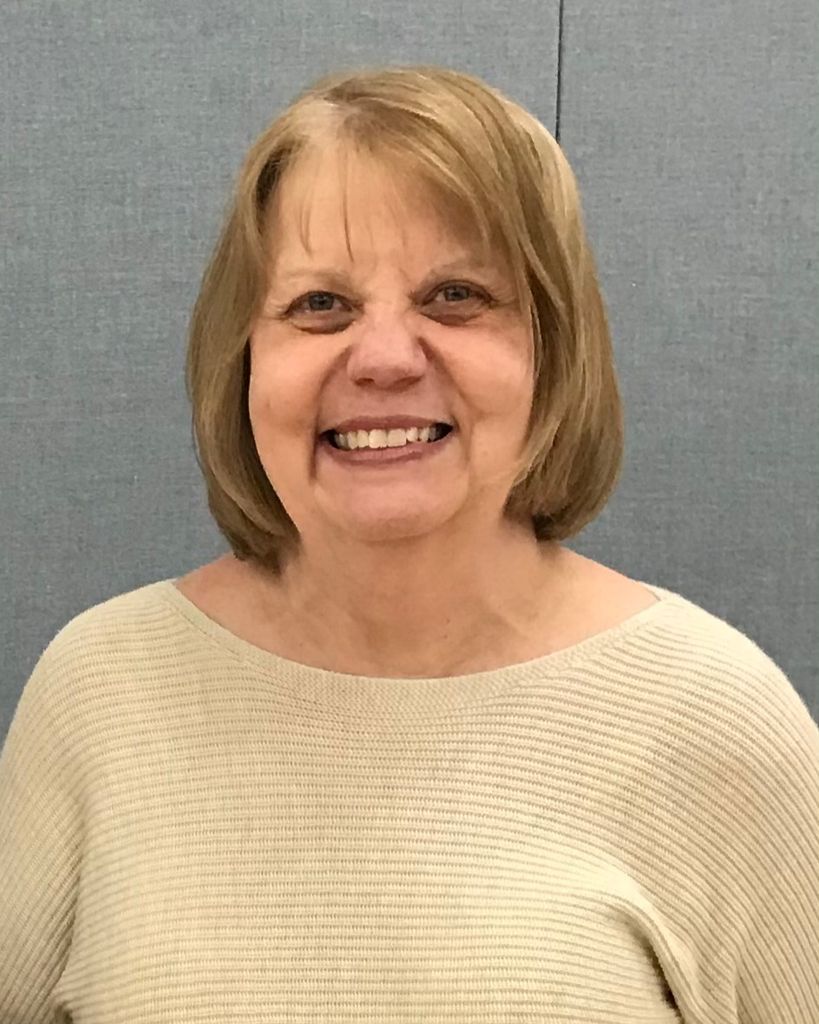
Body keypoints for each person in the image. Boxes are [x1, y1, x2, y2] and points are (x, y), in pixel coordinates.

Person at [1, 64, 817, 1024]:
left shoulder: (717, 721)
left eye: (455, 295)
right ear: (243, 359)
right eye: (320, 305)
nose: (384, 358)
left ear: (552, 352)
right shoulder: (100, 693)